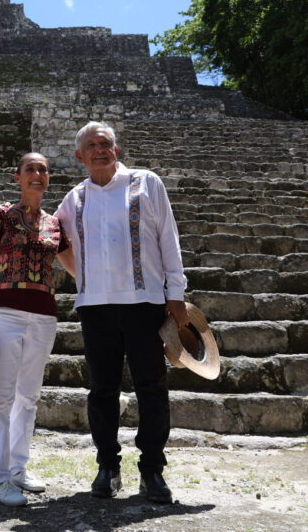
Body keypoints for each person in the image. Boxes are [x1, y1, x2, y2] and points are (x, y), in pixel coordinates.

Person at [55, 121, 189, 504]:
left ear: (117, 149)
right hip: (95, 307)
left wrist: (175, 295)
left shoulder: (146, 183)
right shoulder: (73, 198)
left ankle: (152, 470)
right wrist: (83, 276)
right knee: (102, 390)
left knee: (152, 387)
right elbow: (56, 239)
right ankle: (107, 467)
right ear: (80, 156)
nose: (100, 149)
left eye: (106, 143)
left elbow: (168, 237)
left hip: (145, 302)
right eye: (91, 145)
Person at [0, 152, 72, 507]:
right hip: (5, 312)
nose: (37, 174)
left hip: (45, 315)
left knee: (28, 396)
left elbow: (75, 267)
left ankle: (18, 469)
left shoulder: (56, 224)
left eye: (43, 170)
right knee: (0, 397)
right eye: (30, 169)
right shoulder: (0, 215)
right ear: (17, 177)